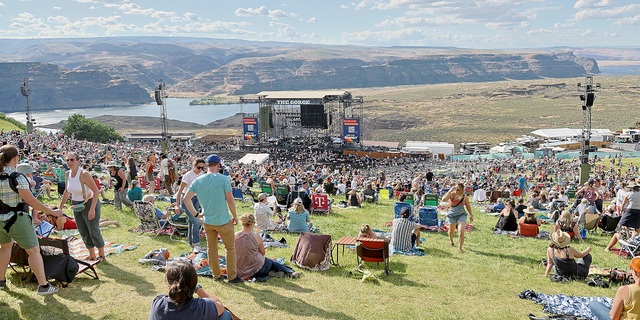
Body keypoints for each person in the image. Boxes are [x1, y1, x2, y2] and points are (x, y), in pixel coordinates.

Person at [0, 145, 62, 295]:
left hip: (0, 220)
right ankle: (43, 286)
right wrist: (52, 211)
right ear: (16, 159)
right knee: (34, 251)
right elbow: (32, 202)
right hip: (18, 220)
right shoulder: (17, 177)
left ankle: (1, 281)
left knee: (5, 248)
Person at [183, 154, 242, 284]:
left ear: (206, 166)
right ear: (218, 165)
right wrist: (235, 216)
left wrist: (196, 214)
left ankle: (216, 275)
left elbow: (186, 199)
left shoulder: (198, 180)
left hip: (208, 221)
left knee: (212, 249)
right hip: (223, 220)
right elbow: (230, 200)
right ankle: (232, 277)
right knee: (230, 248)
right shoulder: (223, 179)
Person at [149, 261, 233, 320]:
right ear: (194, 283)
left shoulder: (157, 302)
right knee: (225, 315)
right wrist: (198, 289)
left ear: (169, 284)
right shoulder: (203, 307)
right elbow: (219, 306)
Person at [59, 152, 105, 261]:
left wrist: (92, 208)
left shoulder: (84, 174)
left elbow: (96, 191)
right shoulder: (67, 174)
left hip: (89, 202)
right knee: (83, 231)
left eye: (72, 160)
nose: (69, 162)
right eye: (68, 160)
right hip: (76, 205)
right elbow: (67, 191)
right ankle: (92, 255)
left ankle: (101, 255)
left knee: (93, 230)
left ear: (78, 161)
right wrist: (60, 207)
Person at [235, 213, 300, 279]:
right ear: (252, 224)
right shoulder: (257, 237)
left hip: (238, 270)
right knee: (269, 262)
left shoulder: (234, 236)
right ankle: (290, 273)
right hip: (257, 270)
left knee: (266, 263)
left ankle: (274, 272)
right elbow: (263, 253)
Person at [175, 159, 205, 253]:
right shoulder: (188, 175)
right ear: (194, 166)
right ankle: (196, 244)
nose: (200, 169)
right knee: (196, 221)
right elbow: (179, 191)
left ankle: (191, 244)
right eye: (199, 167)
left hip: (196, 199)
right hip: (187, 200)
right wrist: (177, 205)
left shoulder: (201, 174)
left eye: (202, 167)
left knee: (192, 222)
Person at [442, 182, 474, 253]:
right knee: (451, 231)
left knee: (461, 231)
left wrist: (471, 215)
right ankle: (451, 241)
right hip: (452, 214)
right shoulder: (451, 194)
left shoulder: (464, 196)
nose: (456, 190)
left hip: (461, 214)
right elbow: (443, 199)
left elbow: (468, 206)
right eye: (455, 188)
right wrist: (450, 190)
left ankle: (460, 248)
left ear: (462, 190)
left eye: (458, 189)